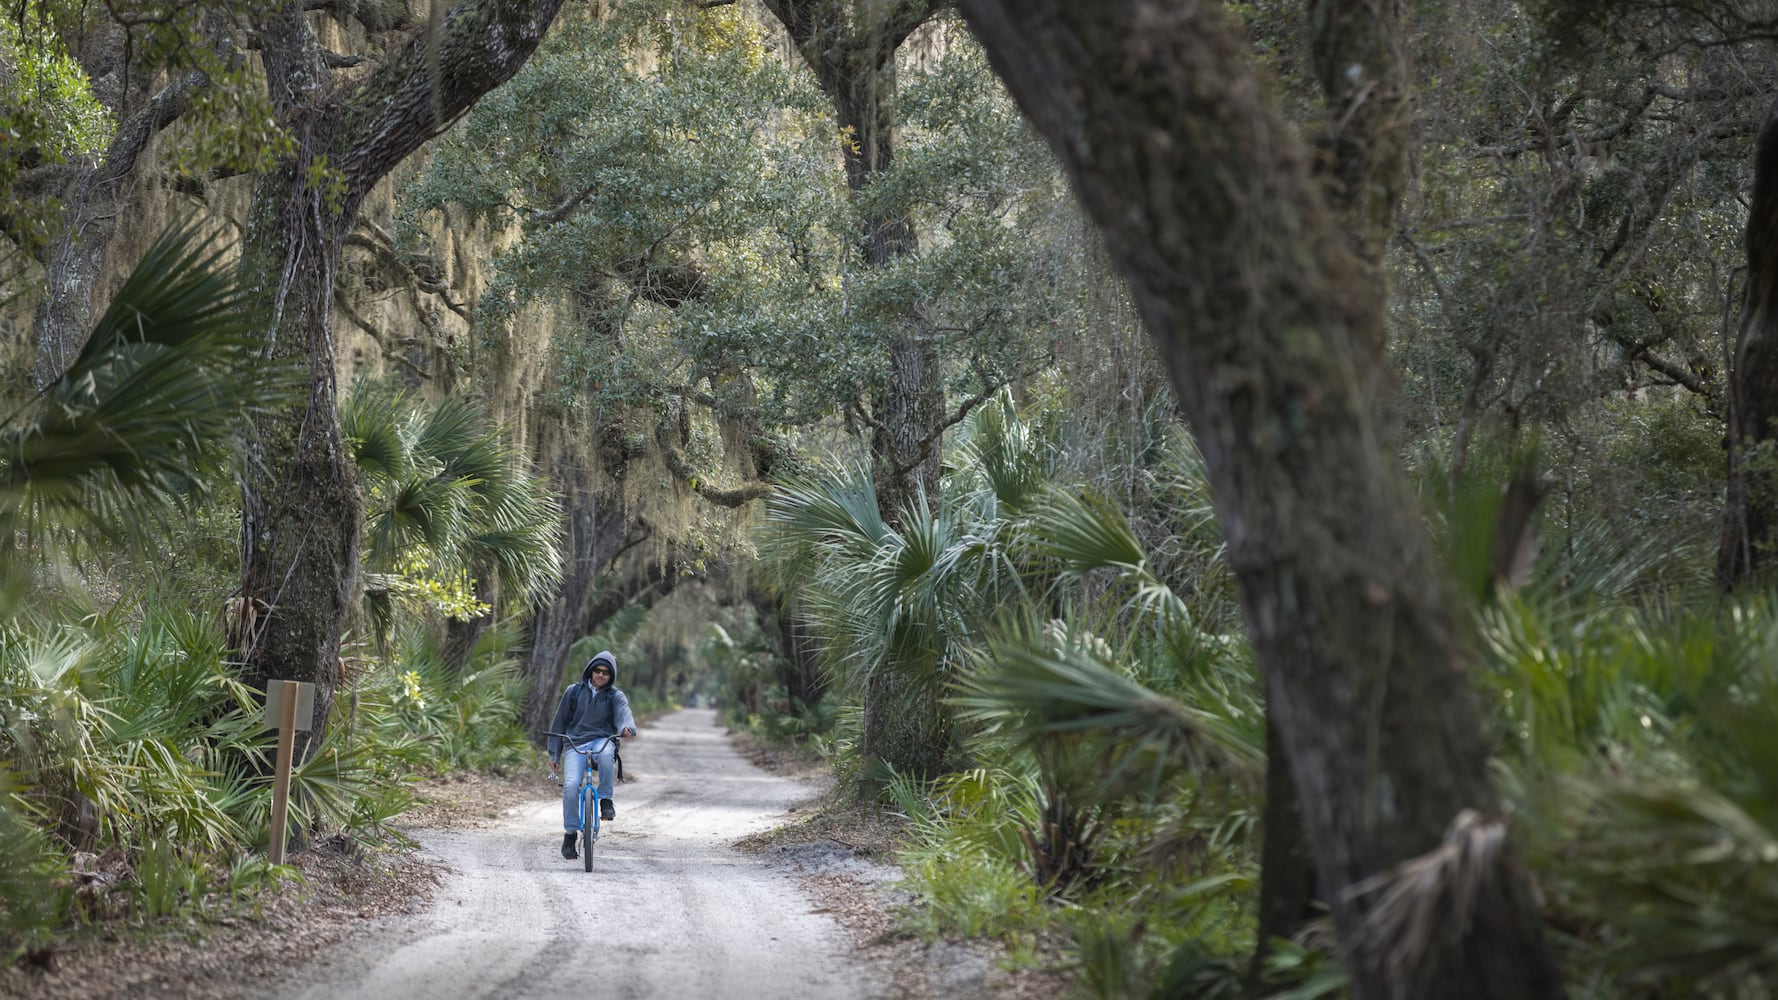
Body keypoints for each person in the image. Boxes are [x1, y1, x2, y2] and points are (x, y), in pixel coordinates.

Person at [546, 650, 636, 860]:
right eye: (597, 670)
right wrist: (554, 754)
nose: (601, 675)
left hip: (602, 739)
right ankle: (570, 833)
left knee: (606, 756)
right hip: (575, 742)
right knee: (570, 786)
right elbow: (559, 723)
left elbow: (625, 715)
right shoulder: (573, 692)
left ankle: (605, 799)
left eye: (606, 672)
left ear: (611, 676)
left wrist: (627, 728)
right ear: (590, 670)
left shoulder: (615, 696)